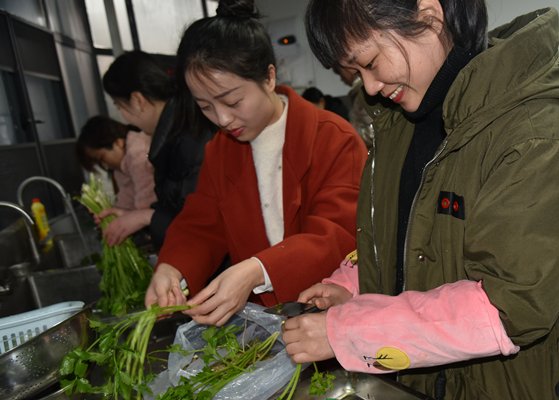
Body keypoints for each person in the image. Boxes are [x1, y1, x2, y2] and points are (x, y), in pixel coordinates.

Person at [282, 1, 559, 399]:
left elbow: (508, 307)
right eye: (356, 72)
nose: (370, 87)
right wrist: (356, 286)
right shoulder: (401, 120)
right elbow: (413, 240)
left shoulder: (537, 133)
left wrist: (349, 332)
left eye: (371, 62)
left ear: (429, 17)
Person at [144, 0, 368, 327]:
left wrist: (256, 270)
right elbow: (201, 224)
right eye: (205, 106)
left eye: (233, 101)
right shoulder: (222, 150)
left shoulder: (332, 138)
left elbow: (338, 235)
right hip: (267, 323)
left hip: (331, 318)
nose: (222, 118)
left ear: (269, 77)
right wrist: (172, 267)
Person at [101, 51, 216, 249]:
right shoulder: (178, 128)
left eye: (119, 106)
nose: (123, 116)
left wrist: (147, 217)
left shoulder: (186, 138)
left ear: (137, 100)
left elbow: (203, 223)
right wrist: (136, 217)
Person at [76, 115, 156, 213]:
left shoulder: (137, 154)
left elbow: (147, 201)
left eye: (102, 158)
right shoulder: (120, 169)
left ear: (118, 143)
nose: (104, 165)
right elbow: (126, 199)